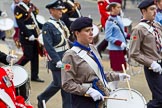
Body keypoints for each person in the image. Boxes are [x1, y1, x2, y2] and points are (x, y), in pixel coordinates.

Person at [61, 17, 130, 108]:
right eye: (87, 30)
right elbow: (66, 84)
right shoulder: (68, 56)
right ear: (77, 33)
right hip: (83, 100)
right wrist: (87, 91)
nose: (91, 33)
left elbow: (98, 75)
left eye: (92, 30)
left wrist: (117, 76)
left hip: (100, 95)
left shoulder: (93, 48)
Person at [37, 0, 72, 108]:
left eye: (61, 9)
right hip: (56, 59)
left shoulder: (61, 23)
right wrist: (57, 60)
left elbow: (66, 40)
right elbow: (48, 45)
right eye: (58, 10)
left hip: (66, 57)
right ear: (52, 11)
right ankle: (42, 97)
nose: (61, 11)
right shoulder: (48, 26)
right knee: (58, 83)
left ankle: (68, 106)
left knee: (67, 82)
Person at [129, 0, 162, 108]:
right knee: (160, 99)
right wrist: (151, 63)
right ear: (143, 11)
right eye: (152, 9)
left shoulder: (157, 25)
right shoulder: (138, 29)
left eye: (155, 9)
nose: (155, 12)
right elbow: (134, 53)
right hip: (153, 68)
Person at [14, 0, 44, 82]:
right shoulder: (18, 7)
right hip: (26, 36)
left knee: (35, 55)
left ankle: (34, 75)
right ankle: (14, 68)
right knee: (27, 55)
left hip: (35, 35)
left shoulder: (31, 6)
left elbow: (35, 21)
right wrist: (28, 34)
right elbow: (20, 23)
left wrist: (44, 26)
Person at [104, 2, 130, 89]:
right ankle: (112, 87)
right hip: (115, 48)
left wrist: (130, 36)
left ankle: (115, 86)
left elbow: (121, 32)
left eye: (120, 7)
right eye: (118, 7)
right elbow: (107, 36)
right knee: (116, 69)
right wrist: (119, 43)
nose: (119, 9)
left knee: (121, 68)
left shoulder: (119, 18)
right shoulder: (109, 21)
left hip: (121, 48)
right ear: (112, 9)